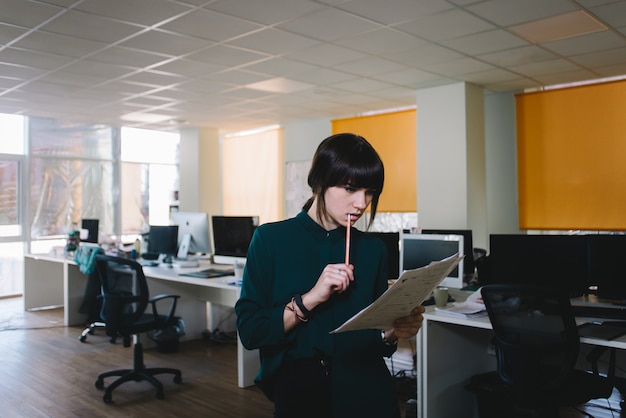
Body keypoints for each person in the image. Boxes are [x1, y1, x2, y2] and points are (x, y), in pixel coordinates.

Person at [235, 133, 425, 418]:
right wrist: (310, 298)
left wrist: (392, 333)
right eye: (350, 189)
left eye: (369, 192)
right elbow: (251, 331)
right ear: (320, 181)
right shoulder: (270, 240)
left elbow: (374, 337)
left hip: (368, 391)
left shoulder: (374, 250)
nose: (361, 203)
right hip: (300, 394)